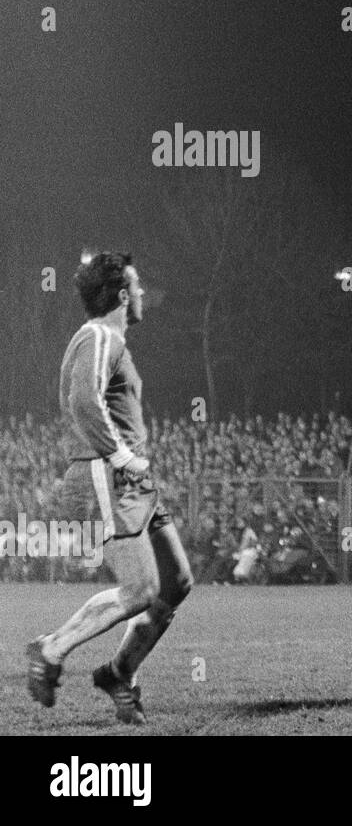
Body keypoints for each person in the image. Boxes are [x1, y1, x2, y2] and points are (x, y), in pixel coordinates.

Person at [26, 253, 193, 725]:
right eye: (137, 288)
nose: (142, 295)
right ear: (122, 295)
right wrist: (119, 454)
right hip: (106, 474)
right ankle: (50, 648)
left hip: (132, 481)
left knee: (176, 583)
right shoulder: (100, 335)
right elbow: (83, 399)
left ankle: (120, 671)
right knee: (141, 589)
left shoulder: (112, 340)